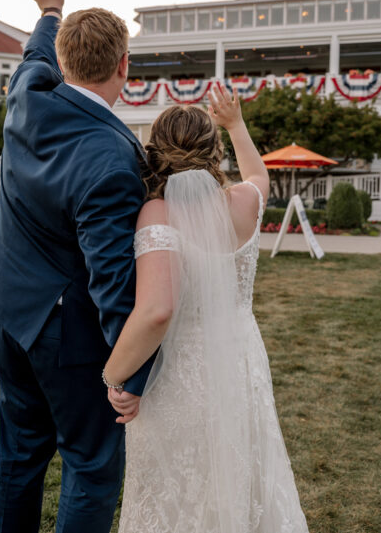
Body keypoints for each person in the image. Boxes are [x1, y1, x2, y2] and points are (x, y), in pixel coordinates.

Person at [0, 0, 153, 533]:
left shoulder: (27, 96)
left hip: (7, 315)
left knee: (20, 457)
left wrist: (49, 12)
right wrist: (129, 375)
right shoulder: (112, 158)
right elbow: (113, 281)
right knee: (92, 467)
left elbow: (33, 57)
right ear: (125, 67)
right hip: (66, 336)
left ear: (61, 62)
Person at [102, 85, 310, 533]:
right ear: (214, 150)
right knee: (243, 469)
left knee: (181, 483)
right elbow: (260, 177)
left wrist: (114, 375)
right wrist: (236, 124)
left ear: (155, 150)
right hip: (240, 357)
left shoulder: (156, 214)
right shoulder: (245, 202)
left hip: (183, 370)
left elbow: (156, 312)